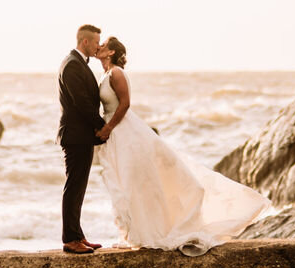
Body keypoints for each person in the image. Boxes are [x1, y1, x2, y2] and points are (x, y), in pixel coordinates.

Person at [94, 36, 270, 256]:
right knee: (123, 183)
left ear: (111, 52)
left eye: (103, 45)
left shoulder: (117, 73)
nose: (98, 47)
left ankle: (145, 233)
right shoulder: (105, 74)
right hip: (116, 134)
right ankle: (132, 234)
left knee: (132, 180)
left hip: (123, 130)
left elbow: (126, 104)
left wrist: (109, 127)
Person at [57, 24, 107, 254]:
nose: (99, 46)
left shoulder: (77, 63)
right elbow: (82, 103)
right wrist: (102, 126)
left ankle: (77, 234)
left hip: (81, 135)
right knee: (74, 186)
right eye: (97, 42)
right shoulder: (71, 65)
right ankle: (69, 239)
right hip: (75, 135)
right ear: (85, 42)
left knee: (79, 187)